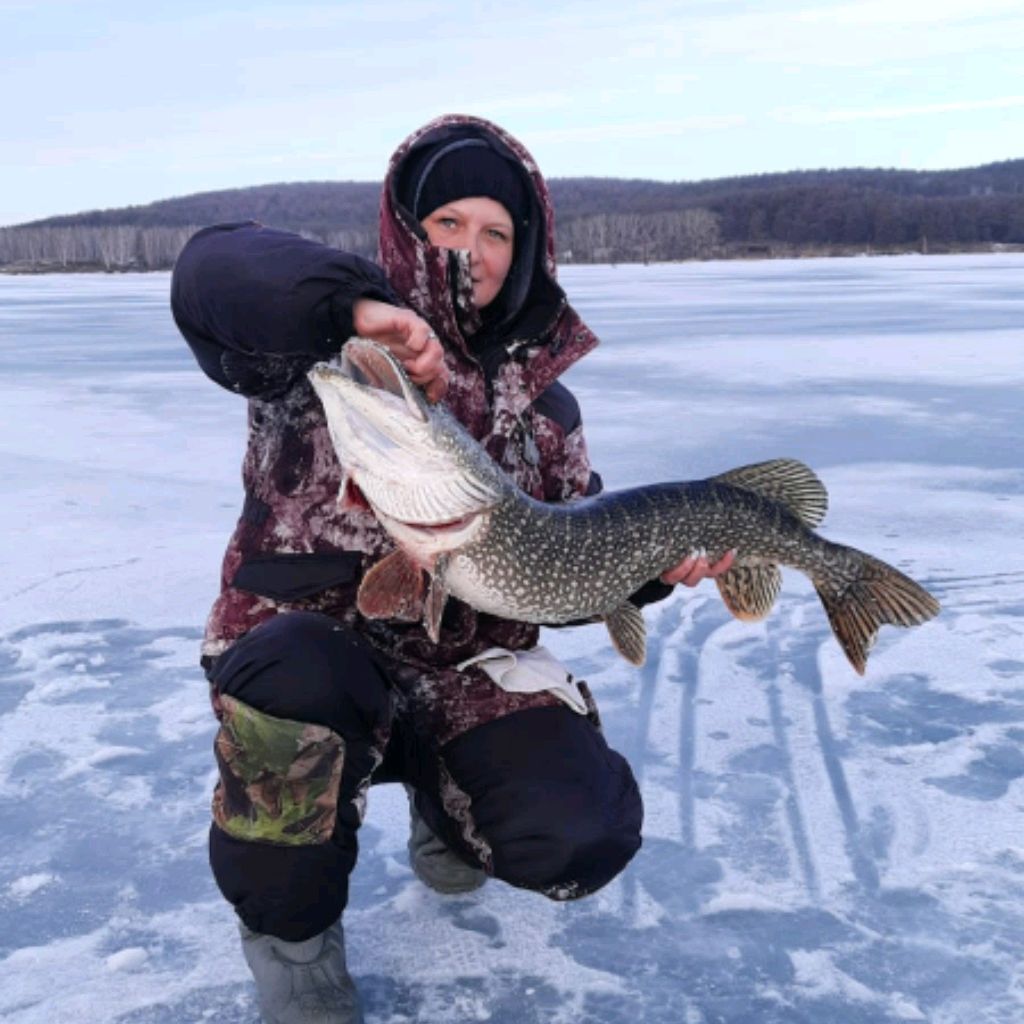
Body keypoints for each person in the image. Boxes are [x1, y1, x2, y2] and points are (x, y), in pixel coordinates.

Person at [171, 113, 733, 1024]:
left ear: (528, 247)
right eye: (448, 223)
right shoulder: (328, 355)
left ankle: (449, 807)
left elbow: (565, 568)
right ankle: (295, 946)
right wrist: (353, 313)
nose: (471, 248)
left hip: (463, 672)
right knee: (299, 687)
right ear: (406, 228)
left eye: (496, 230)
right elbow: (210, 274)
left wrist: (650, 573)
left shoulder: (548, 407)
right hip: (313, 671)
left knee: (581, 831)